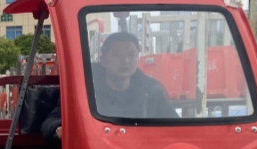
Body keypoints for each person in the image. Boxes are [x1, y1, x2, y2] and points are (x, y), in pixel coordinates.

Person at [41, 31, 177, 141]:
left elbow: (176, 125)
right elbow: (50, 122)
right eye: (117, 55)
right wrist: (59, 129)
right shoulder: (83, 89)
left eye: (132, 55)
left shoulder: (151, 90)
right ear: (103, 59)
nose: (125, 61)